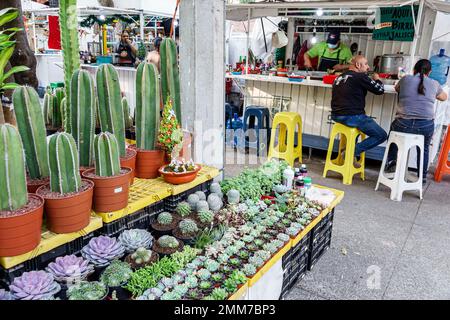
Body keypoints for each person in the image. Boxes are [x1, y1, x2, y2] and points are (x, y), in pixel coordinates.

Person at [385, 59, 448, 183]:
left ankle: (392, 162)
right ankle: (422, 176)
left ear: (414, 69)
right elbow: (443, 97)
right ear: (429, 72)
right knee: (424, 148)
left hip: (403, 123)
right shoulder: (434, 83)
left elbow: (397, 88)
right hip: (425, 125)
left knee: (392, 136)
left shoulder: (406, 79)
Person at [331, 55, 388, 163]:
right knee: (381, 135)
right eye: (366, 64)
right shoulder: (360, 76)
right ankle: (350, 152)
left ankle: (350, 158)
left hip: (336, 115)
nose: (368, 67)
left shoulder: (339, 77)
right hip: (352, 116)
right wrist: (378, 79)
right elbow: (380, 90)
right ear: (357, 65)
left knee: (356, 126)